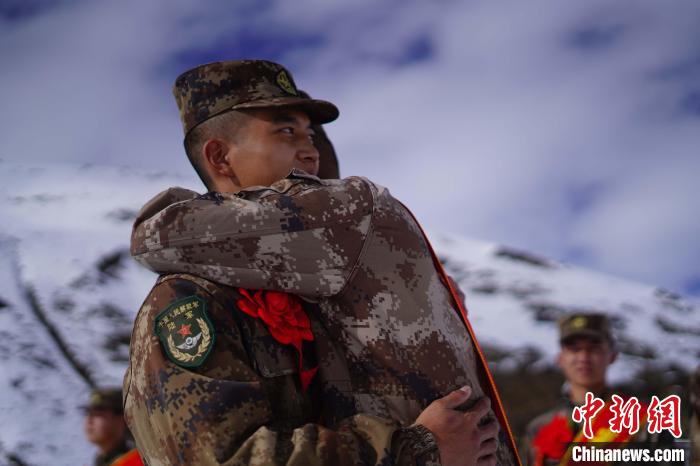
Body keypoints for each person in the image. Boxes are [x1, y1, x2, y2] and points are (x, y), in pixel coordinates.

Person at [124, 59, 520, 466]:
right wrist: (415, 450)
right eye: (285, 131)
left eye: (310, 135)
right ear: (221, 158)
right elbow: (218, 457)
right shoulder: (189, 299)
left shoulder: (327, 278)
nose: (310, 150)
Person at [523, 313, 673, 465]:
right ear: (560, 358)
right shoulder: (539, 428)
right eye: (574, 349)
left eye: (593, 349)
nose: (583, 357)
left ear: (612, 356)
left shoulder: (646, 422)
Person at [83, 388, 143, 466]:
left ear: (122, 419)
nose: (89, 420)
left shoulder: (135, 462)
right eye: (88, 413)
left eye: (98, 414)